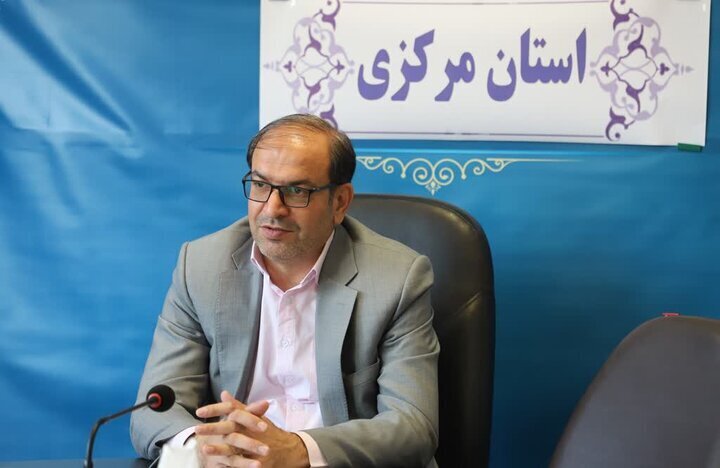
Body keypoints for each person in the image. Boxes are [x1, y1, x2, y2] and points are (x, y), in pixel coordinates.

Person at [130, 114, 439, 467]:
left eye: (297, 191)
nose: (273, 209)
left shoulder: (397, 279)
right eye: (261, 185)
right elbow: (152, 409)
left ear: (340, 202)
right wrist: (199, 449)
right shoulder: (201, 267)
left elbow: (413, 427)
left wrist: (300, 450)